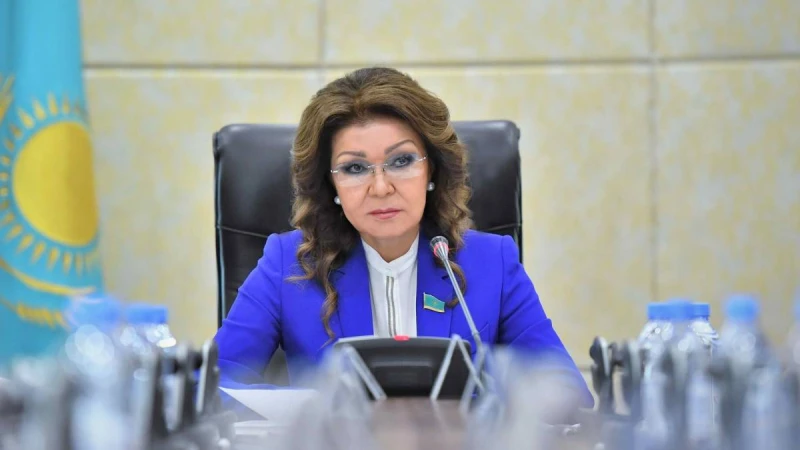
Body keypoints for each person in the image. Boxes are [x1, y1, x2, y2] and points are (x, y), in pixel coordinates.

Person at [213, 67, 593, 409]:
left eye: (401, 161)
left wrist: (483, 398)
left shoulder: (492, 261)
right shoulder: (289, 264)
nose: (381, 188)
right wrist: (315, 410)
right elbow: (212, 386)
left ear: (432, 172)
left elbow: (565, 392)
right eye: (355, 168)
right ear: (331, 185)